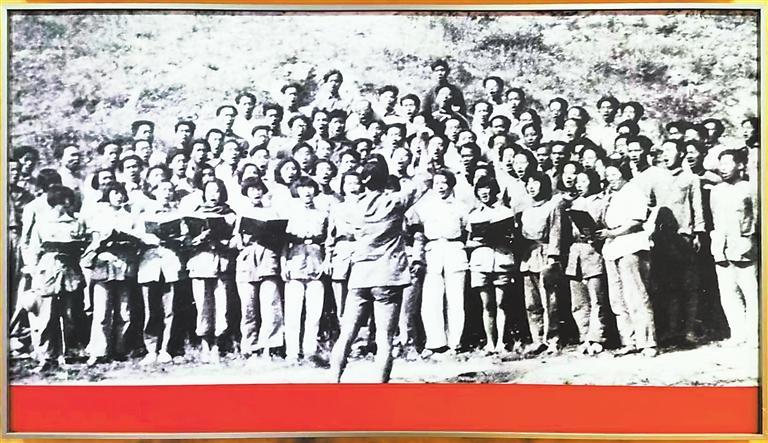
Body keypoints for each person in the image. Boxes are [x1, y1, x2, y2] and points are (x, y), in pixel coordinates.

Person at [329, 156, 421, 383]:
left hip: (360, 275)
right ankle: (380, 389)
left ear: (364, 181)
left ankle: (333, 380)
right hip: (388, 275)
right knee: (384, 338)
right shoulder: (395, 202)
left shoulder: (352, 208)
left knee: (346, 333)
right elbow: (422, 183)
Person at [598, 161, 657, 357]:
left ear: (623, 174)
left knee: (636, 296)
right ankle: (629, 341)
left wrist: (613, 233)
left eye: (615, 174)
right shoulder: (610, 195)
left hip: (631, 245)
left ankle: (647, 342)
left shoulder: (634, 191)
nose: (611, 179)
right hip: (612, 248)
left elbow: (636, 220)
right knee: (618, 299)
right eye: (608, 175)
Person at [25, 185, 87, 372]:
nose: (67, 205)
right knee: (47, 315)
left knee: (70, 315)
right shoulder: (42, 223)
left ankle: (69, 354)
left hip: (70, 269)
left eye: (69, 201)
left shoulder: (76, 222)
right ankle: (47, 356)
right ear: (54, 203)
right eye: (62, 202)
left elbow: (84, 246)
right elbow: (33, 249)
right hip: (48, 270)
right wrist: (33, 270)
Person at [407, 169, 469, 356]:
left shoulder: (461, 206)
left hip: (454, 249)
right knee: (431, 299)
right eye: (436, 183)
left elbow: (468, 230)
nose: (440, 187)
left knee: (455, 299)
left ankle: (455, 343)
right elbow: (412, 222)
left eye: (444, 182)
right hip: (433, 251)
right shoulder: (425, 206)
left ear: (451, 184)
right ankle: (435, 343)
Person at [81, 182, 143, 365]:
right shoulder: (99, 215)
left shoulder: (130, 216)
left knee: (124, 310)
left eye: (121, 193)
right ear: (107, 195)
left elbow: (138, 239)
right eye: (115, 193)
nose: (119, 196)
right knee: (102, 311)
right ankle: (99, 350)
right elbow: (94, 243)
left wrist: (130, 240)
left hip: (124, 264)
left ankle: (120, 348)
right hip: (104, 264)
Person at [652, 139, 706, 345]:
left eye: (669, 150)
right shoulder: (658, 178)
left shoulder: (690, 179)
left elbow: (697, 207)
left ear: (681, 153)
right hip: (661, 239)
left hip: (683, 237)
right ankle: (673, 330)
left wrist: (698, 233)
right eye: (663, 151)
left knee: (689, 286)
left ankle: (689, 330)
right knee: (669, 286)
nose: (665, 155)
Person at [709, 149, 758, 347]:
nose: (723, 168)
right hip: (722, 247)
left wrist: (750, 240)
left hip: (745, 246)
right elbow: (715, 217)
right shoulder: (716, 191)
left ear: (740, 165)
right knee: (728, 294)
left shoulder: (750, 188)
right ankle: (737, 334)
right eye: (721, 164)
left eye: (728, 163)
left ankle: (754, 336)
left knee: (751, 293)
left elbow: (757, 217)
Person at [186, 179, 238, 362]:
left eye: (217, 191)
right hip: (201, 263)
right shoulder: (195, 214)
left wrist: (224, 242)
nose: (213, 195)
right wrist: (199, 238)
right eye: (209, 191)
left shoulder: (230, 214)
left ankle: (218, 343)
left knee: (222, 305)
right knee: (203, 305)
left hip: (222, 263)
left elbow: (236, 240)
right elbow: (186, 241)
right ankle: (204, 343)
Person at [233, 176, 285, 358]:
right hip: (247, 261)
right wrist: (241, 239)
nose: (256, 192)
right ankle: (250, 347)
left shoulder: (273, 212)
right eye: (251, 189)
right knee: (248, 307)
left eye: (259, 189)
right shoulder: (241, 213)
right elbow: (235, 241)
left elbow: (281, 237)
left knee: (271, 305)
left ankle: (271, 346)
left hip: (268, 258)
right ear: (246, 193)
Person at [136, 179, 186, 365]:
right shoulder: (144, 216)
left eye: (170, 190)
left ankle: (166, 349)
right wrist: (146, 238)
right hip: (150, 265)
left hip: (171, 264)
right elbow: (136, 237)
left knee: (170, 309)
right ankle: (151, 349)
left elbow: (186, 237)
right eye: (163, 189)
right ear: (154, 191)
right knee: (151, 310)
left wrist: (179, 239)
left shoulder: (178, 215)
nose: (166, 193)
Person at [518, 171, 567, 356]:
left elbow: (556, 232)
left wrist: (553, 257)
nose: (531, 186)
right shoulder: (527, 210)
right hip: (528, 256)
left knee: (550, 300)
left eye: (535, 182)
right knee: (532, 302)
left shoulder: (553, 206)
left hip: (546, 254)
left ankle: (553, 339)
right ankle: (537, 339)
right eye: (529, 183)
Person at [466, 176, 516, 354]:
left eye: (487, 188)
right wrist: (480, 241)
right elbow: (468, 242)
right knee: (486, 305)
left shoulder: (506, 212)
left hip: (501, 260)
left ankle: (502, 341)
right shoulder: (474, 215)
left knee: (502, 303)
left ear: (494, 190)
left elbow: (513, 238)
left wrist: (502, 238)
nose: (484, 192)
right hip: (481, 262)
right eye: (480, 189)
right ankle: (490, 342)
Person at [281, 176, 328, 363]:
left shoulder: (323, 215)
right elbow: (284, 243)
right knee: (293, 313)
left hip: (316, 265)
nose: (307, 192)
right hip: (295, 264)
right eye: (302, 188)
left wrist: (326, 262)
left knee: (314, 314)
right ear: (296, 191)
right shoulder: (289, 214)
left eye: (310, 188)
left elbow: (328, 241)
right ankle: (292, 353)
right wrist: (283, 263)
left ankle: (310, 352)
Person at [565, 169, 609, 355]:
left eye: (584, 181)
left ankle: (597, 338)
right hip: (575, 253)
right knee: (579, 301)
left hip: (594, 252)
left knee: (597, 298)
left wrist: (594, 233)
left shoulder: (602, 202)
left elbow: (606, 225)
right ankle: (584, 337)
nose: (579, 185)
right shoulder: (574, 203)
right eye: (578, 181)